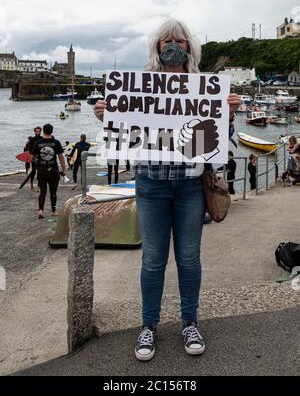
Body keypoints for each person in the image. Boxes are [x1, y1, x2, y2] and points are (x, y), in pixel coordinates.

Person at [94, 18, 241, 361]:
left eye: (180, 39)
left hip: (190, 185)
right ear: (157, 47)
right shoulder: (137, 86)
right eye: (167, 40)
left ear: (190, 46)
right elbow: (126, 132)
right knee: (153, 260)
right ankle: (149, 325)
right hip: (150, 184)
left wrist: (229, 115)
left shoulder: (205, 87)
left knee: (189, 259)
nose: (173, 44)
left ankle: (190, 321)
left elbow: (221, 144)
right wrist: (106, 117)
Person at [31, 124, 66, 219]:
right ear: (52, 131)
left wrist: (37, 160)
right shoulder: (56, 142)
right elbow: (61, 157)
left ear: (43, 132)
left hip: (41, 170)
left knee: (42, 192)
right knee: (53, 192)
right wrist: (64, 169)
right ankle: (53, 211)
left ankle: (40, 210)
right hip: (53, 171)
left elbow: (32, 158)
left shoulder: (37, 143)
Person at [28, 126, 43, 190]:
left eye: (39, 131)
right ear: (34, 132)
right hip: (34, 157)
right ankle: (31, 183)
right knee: (33, 171)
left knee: (40, 172)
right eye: (37, 131)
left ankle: (39, 185)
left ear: (41, 132)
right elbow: (30, 149)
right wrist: (33, 157)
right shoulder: (32, 139)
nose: (38, 132)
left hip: (41, 157)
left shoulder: (42, 139)